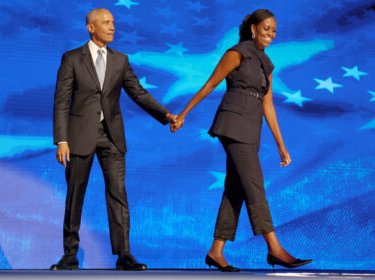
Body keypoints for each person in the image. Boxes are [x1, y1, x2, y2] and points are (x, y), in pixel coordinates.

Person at [171, 9, 312, 272]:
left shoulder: (267, 64)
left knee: (235, 189)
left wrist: (281, 144)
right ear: (253, 29)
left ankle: (216, 252)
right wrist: (183, 114)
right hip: (232, 124)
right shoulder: (237, 52)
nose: (271, 33)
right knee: (254, 184)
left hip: (252, 128)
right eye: (267, 28)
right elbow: (210, 84)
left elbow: (268, 106)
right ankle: (275, 249)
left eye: (274, 30)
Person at [51, 8, 177, 271]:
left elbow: (138, 93)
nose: (112, 27)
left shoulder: (120, 60)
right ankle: (70, 254)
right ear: (91, 28)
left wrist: (166, 115)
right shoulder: (72, 58)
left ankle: (124, 255)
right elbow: (62, 102)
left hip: (112, 137)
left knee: (118, 194)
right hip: (79, 136)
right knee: (75, 195)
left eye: (113, 23)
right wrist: (61, 139)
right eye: (106, 23)